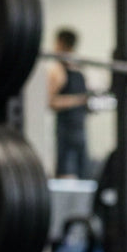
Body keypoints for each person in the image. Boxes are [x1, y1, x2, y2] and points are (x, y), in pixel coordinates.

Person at [47, 27, 91, 179]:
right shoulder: (57, 71)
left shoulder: (80, 69)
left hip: (80, 131)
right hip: (65, 133)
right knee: (66, 177)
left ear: (60, 43)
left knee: (84, 177)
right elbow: (50, 102)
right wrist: (77, 100)